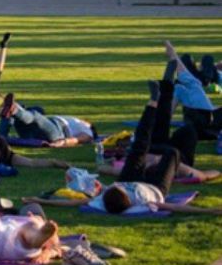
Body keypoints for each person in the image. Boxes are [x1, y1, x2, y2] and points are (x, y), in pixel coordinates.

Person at [24, 81, 222, 216]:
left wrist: (41, 201)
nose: (111, 185)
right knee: (172, 153)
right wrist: (209, 212)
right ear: (127, 197)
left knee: (139, 146)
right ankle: (162, 105)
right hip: (155, 187)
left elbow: (73, 203)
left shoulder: (103, 198)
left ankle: (153, 102)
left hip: (130, 176)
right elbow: (172, 206)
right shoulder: (145, 204)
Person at [167, 41, 221, 139]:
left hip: (205, 122)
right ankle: (164, 120)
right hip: (201, 119)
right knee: (180, 88)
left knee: (193, 84)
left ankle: (174, 56)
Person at [0, 94, 96, 147]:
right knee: (36, 110)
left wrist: (62, 142)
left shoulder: (88, 131)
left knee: (35, 115)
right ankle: (13, 109)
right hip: (34, 133)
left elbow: (78, 139)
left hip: (58, 131)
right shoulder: (79, 124)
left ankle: (14, 109)